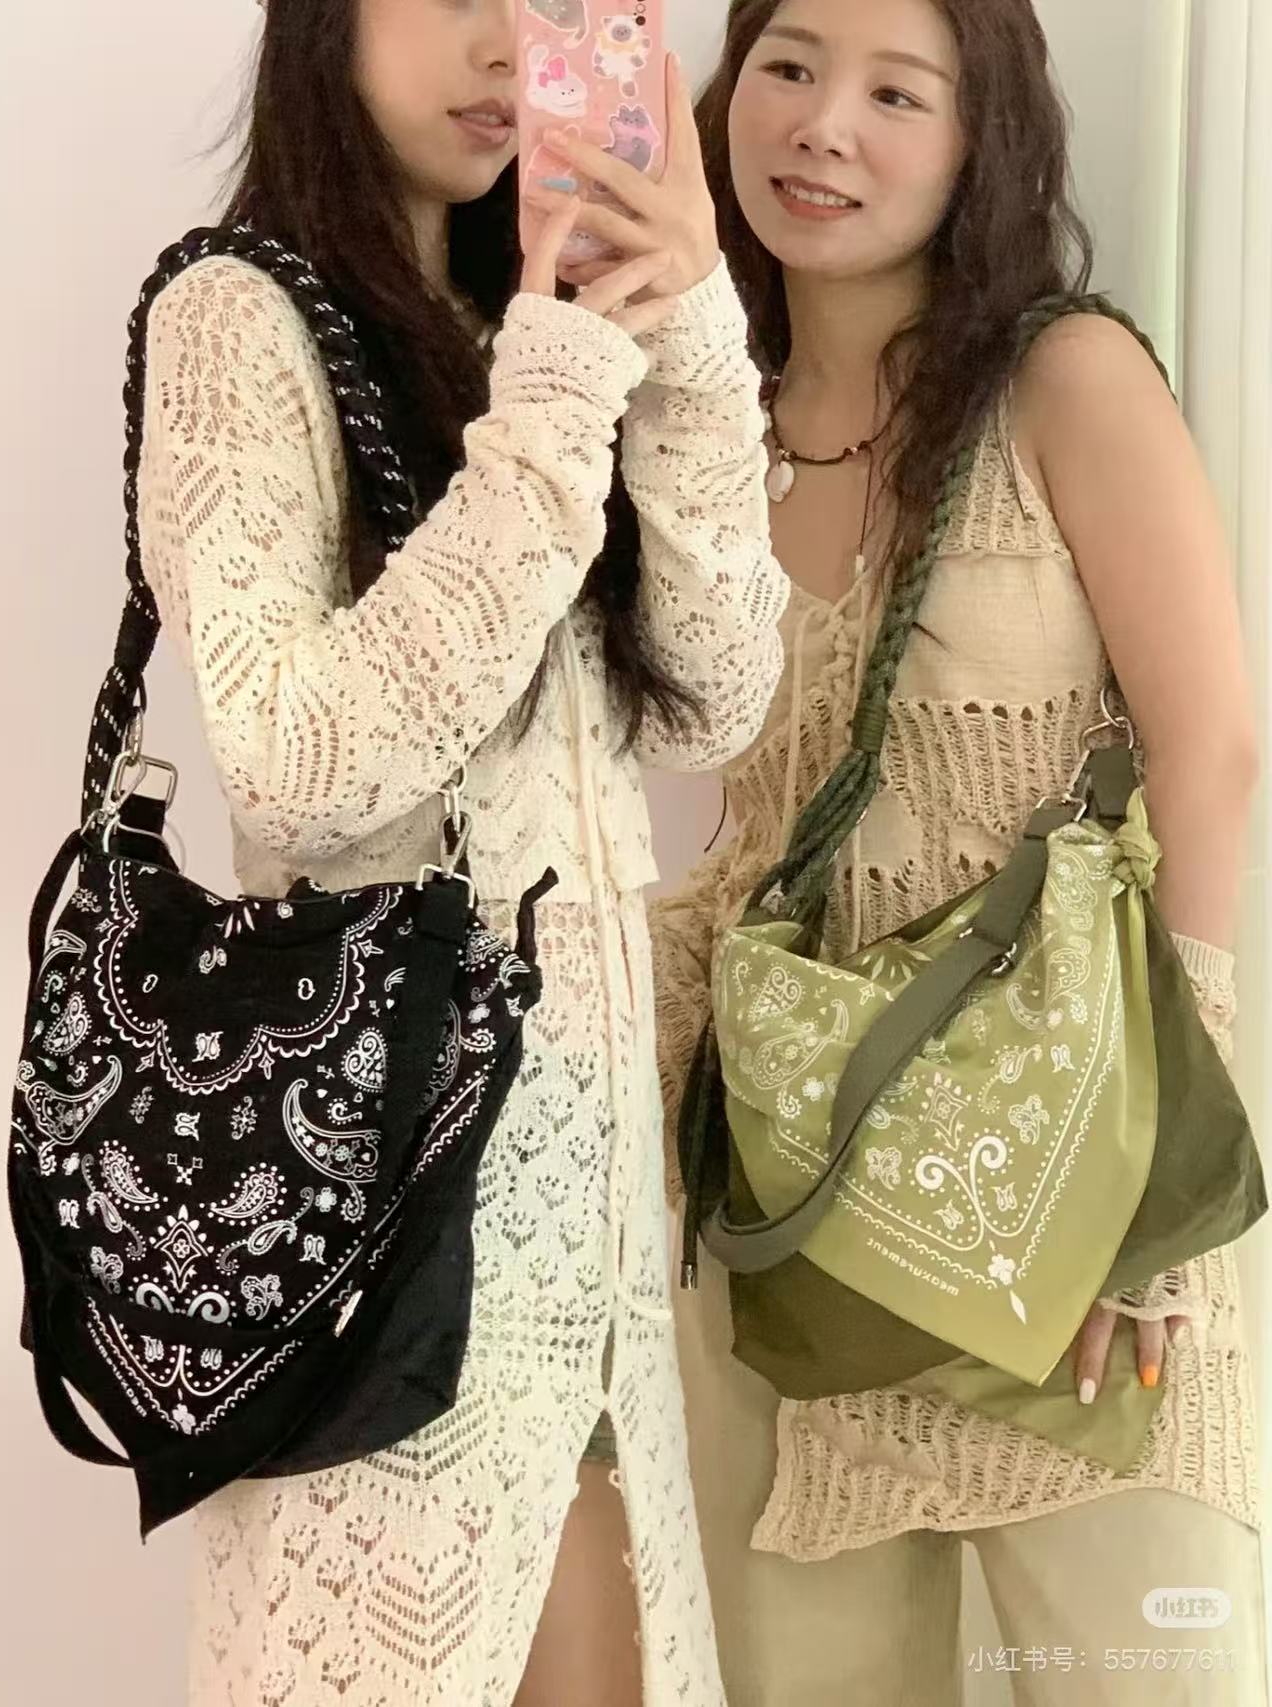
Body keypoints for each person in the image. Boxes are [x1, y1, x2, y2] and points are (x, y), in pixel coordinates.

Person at [138, 1, 788, 1701]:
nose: (511, 44)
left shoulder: (531, 317)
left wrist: (687, 319)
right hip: (384, 1211)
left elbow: (717, 702)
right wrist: (556, 399)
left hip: (592, 1229)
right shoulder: (238, 314)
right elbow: (299, 766)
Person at [651, 1, 1266, 1700]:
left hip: (1071, 1202)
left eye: (894, 92)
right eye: (787, 67)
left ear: (980, 137)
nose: (822, 126)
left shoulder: (1065, 380)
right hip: (788, 1217)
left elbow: (1212, 755)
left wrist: (1161, 1196)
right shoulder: (704, 417)